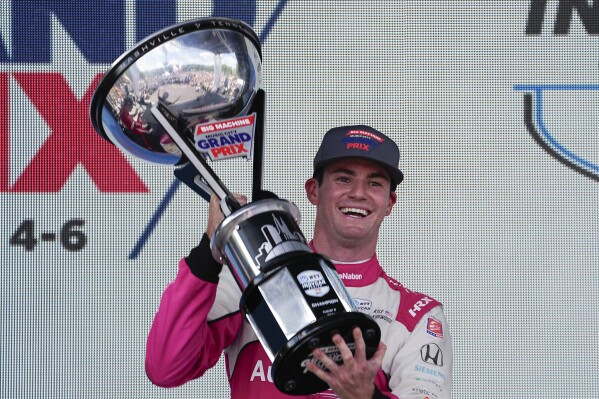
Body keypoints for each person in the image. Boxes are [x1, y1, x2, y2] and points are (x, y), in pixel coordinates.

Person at [145, 125, 453, 398]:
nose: (359, 193)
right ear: (314, 191)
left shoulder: (416, 315)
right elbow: (166, 368)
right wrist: (209, 250)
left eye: (375, 184)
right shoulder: (252, 282)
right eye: (344, 178)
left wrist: (367, 397)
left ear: (389, 203)